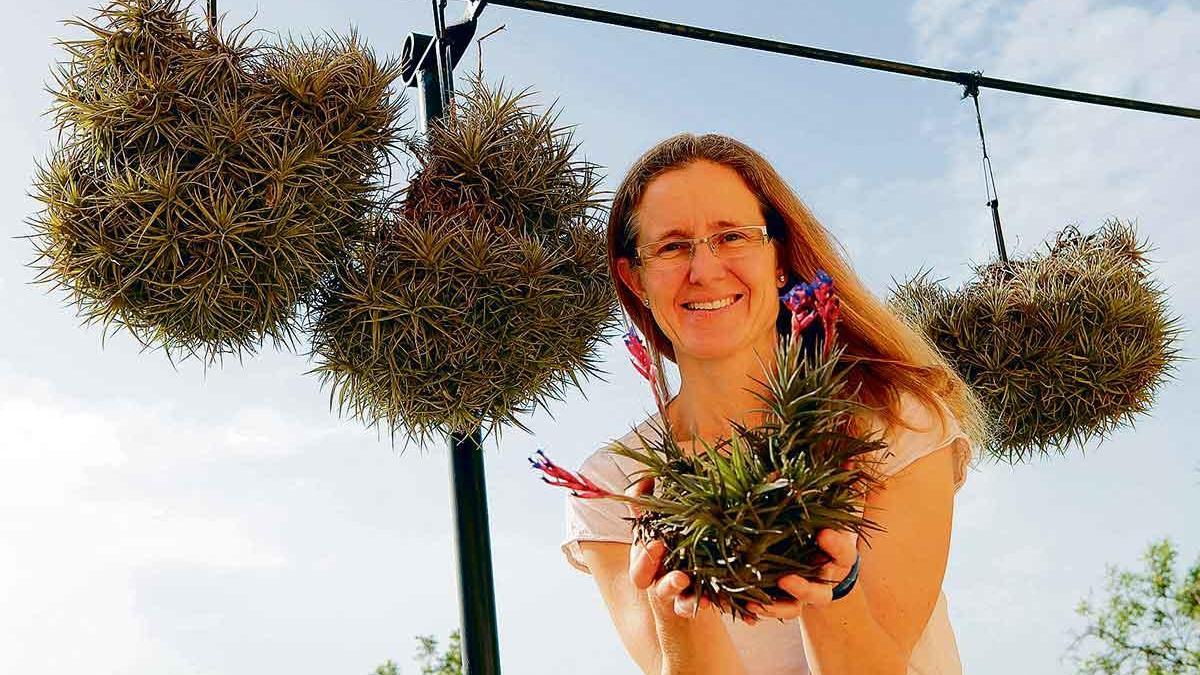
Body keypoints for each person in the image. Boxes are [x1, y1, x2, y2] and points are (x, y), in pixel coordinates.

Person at [560, 133, 986, 675]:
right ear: (634, 278)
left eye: (732, 236)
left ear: (779, 256)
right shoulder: (611, 487)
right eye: (670, 247)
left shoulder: (891, 420)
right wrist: (674, 610)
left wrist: (832, 585)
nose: (705, 270)